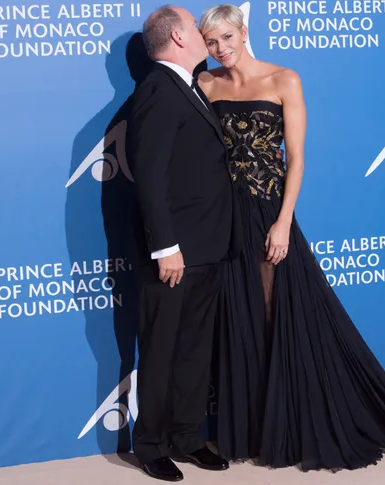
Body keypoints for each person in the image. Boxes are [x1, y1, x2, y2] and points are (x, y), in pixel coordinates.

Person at [196, 4, 385, 471]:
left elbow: (296, 159)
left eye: (227, 38)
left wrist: (283, 221)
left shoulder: (284, 79)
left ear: (243, 31)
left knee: (277, 314)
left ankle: (290, 425)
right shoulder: (205, 84)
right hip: (223, 216)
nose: (220, 49)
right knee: (240, 318)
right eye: (211, 42)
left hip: (267, 211)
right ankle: (253, 428)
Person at [124, 5, 241, 481]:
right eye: (193, 26)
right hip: (174, 254)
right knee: (162, 350)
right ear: (176, 36)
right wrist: (164, 247)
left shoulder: (187, 86)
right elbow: (149, 175)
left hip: (207, 246)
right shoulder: (157, 89)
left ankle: (188, 436)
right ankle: (151, 444)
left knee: (194, 348)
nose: (201, 32)